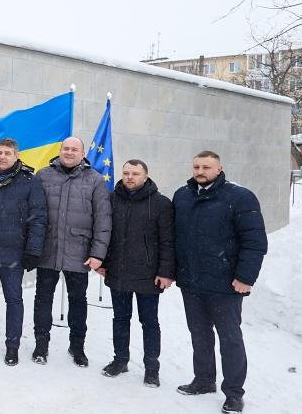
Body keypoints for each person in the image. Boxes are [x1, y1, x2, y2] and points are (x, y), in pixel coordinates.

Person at [173, 151, 267, 414]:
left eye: (206, 166)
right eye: (196, 166)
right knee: (199, 334)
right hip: (191, 282)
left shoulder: (239, 197)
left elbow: (255, 241)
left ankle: (234, 393)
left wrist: (246, 277)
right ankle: (204, 380)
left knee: (230, 339)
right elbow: (174, 237)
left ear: (219, 169)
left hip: (225, 284)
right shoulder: (183, 196)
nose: (200, 170)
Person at [32, 136, 111, 367]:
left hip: (80, 253)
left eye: (74, 149)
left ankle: (77, 347)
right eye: (65, 148)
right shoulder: (43, 175)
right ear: (60, 151)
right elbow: (33, 213)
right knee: (43, 299)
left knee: (78, 301)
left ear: (82, 153)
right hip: (48, 250)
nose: (69, 152)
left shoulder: (94, 180)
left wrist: (98, 254)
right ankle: (41, 344)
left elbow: (103, 220)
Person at [96, 159, 174, 387]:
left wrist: (165, 272)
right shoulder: (111, 199)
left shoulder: (160, 203)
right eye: (126, 173)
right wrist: (102, 261)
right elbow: (105, 234)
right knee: (120, 319)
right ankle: (120, 360)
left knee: (149, 322)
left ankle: (152, 368)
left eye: (135, 173)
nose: (130, 177)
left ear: (146, 175)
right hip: (118, 271)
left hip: (148, 275)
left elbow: (168, 241)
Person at [0, 137, 47, 366]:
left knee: (13, 298)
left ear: (16, 155)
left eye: (7, 153)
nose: (2, 157)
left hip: (14, 252)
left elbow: (38, 218)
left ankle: (12, 344)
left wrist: (33, 250)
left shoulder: (29, 181)